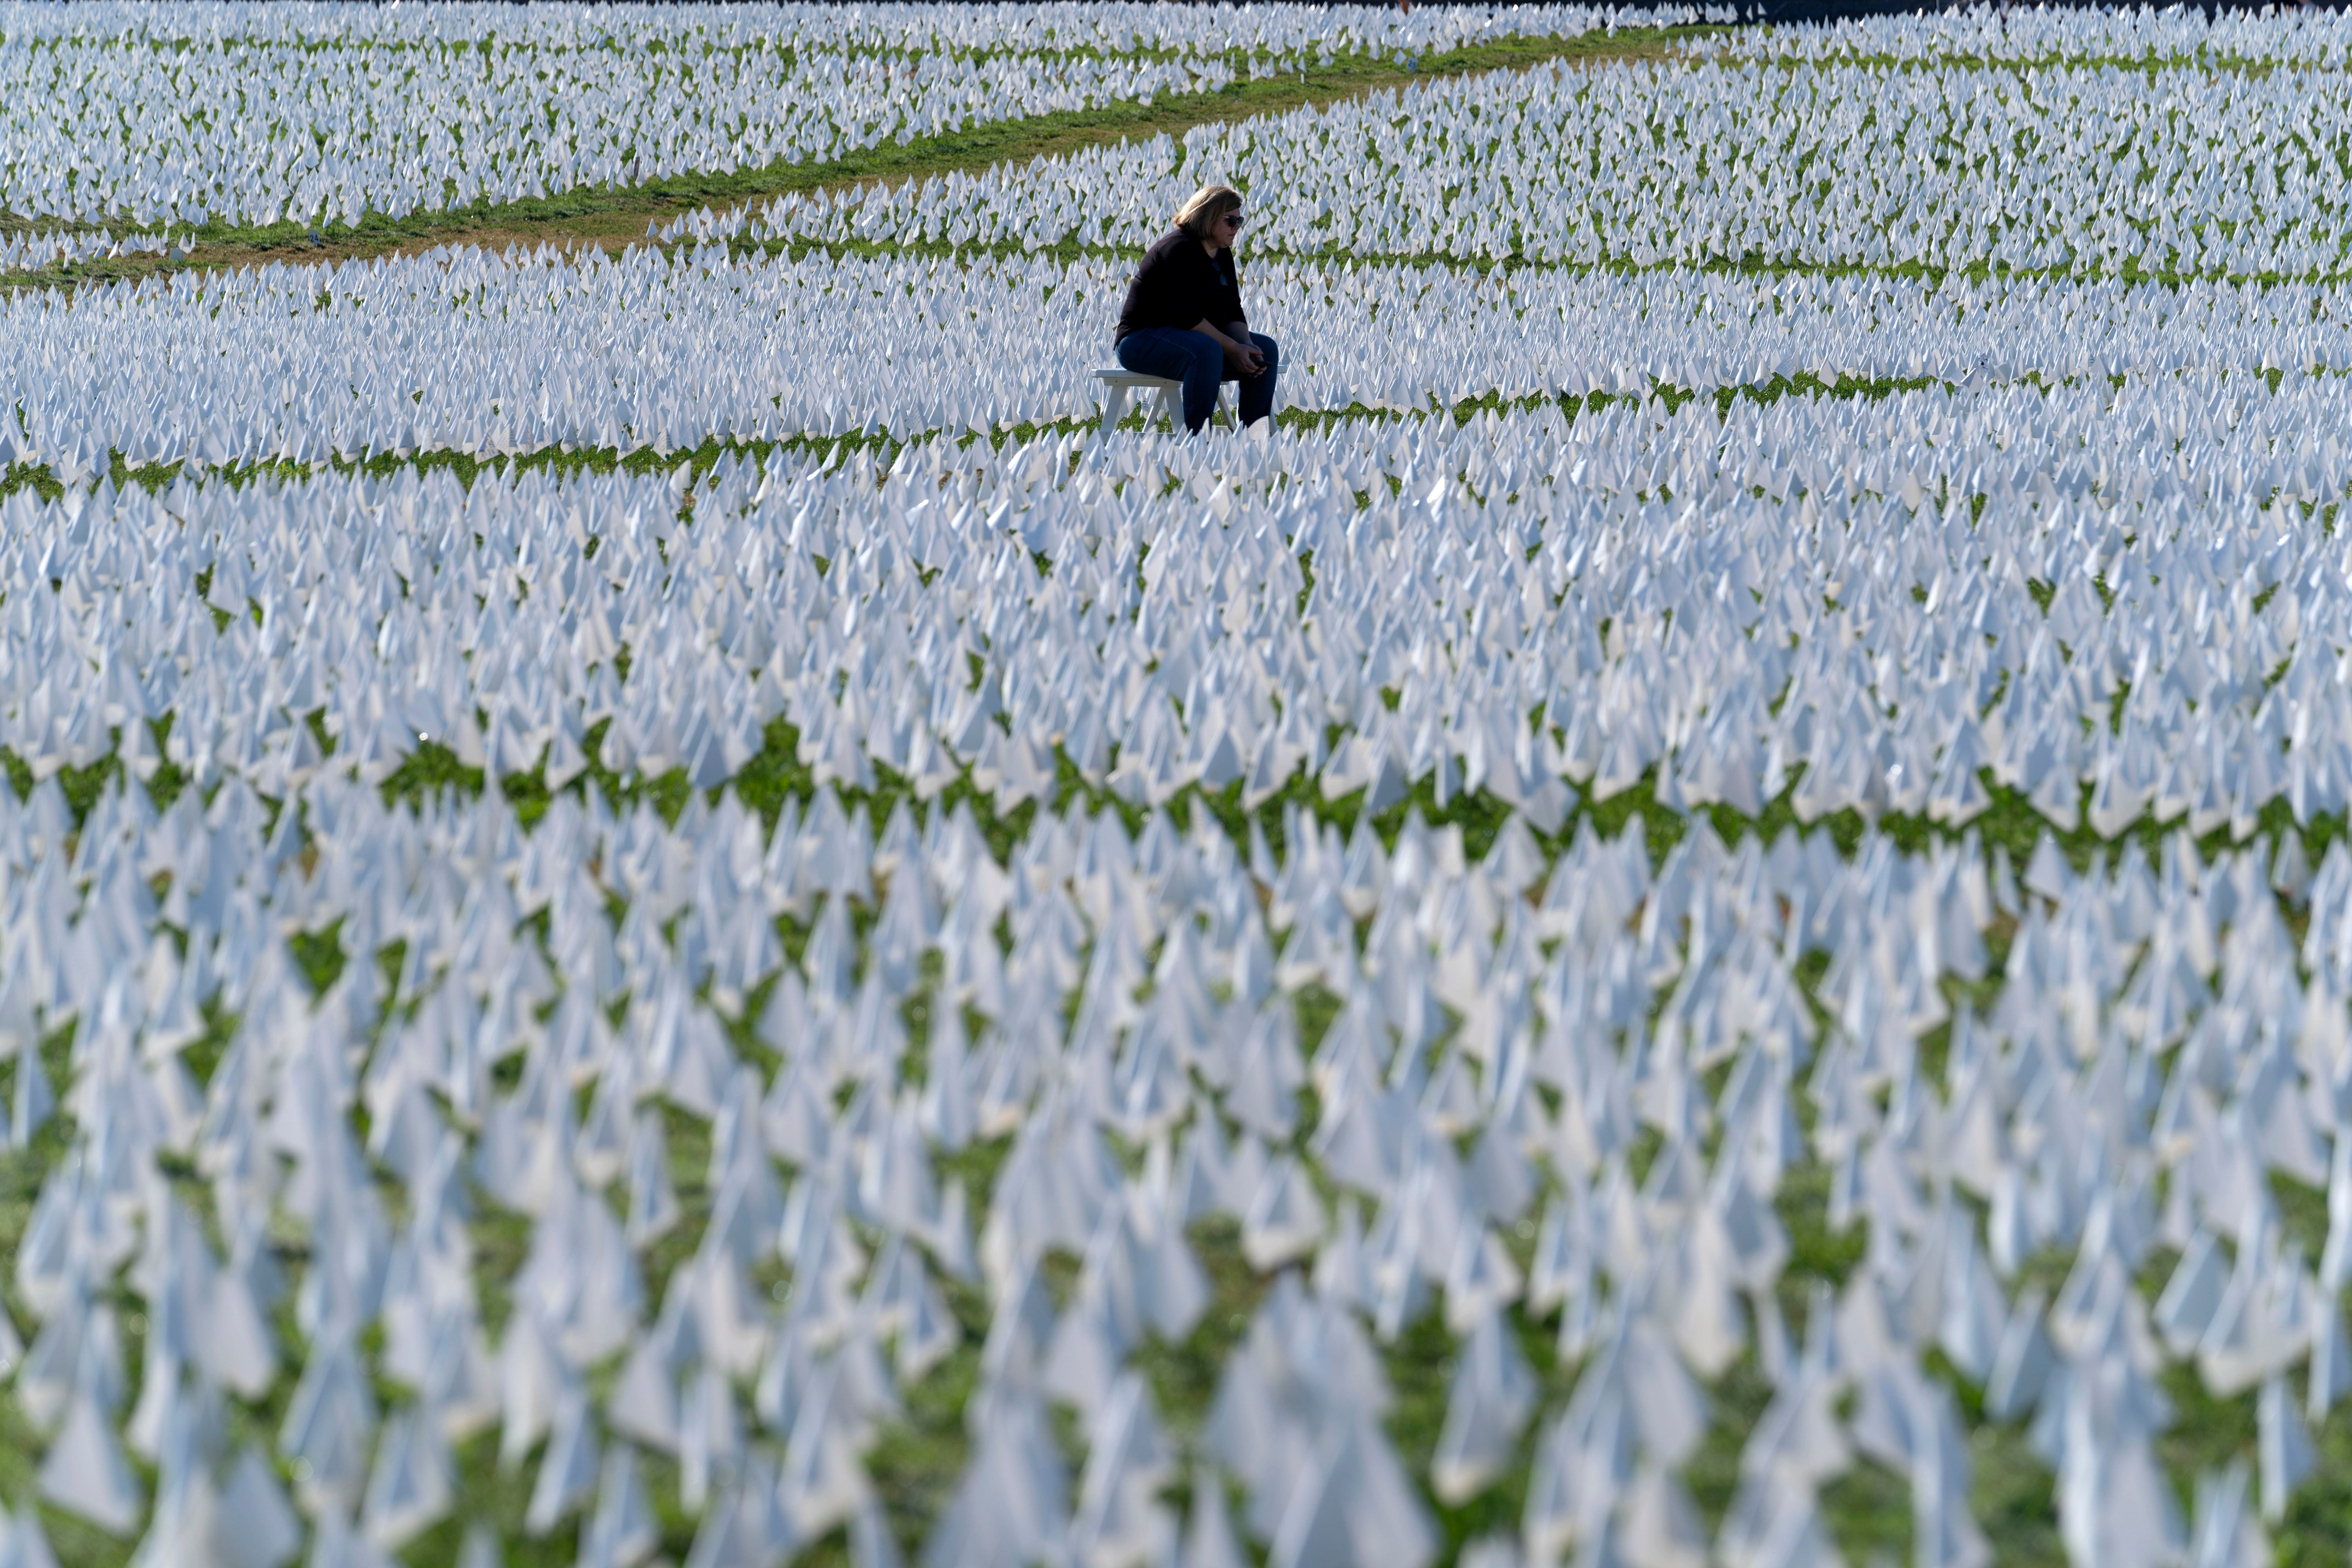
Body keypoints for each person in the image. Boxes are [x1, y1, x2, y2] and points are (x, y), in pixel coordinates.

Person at [1113, 185, 1279, 435]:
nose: (1237, 227)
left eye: (1240, 220)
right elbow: (1186, 316)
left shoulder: (1222, 253)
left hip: (1192, 339)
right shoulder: (1178, 250)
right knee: (1207, 350)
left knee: (1264, 349)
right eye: (1231, 220)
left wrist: (1245, 344)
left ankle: (1254, 438)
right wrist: (1233, 349)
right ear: (1208, 216)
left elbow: (1233, 310)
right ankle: (1197, 438)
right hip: (1141, 340)